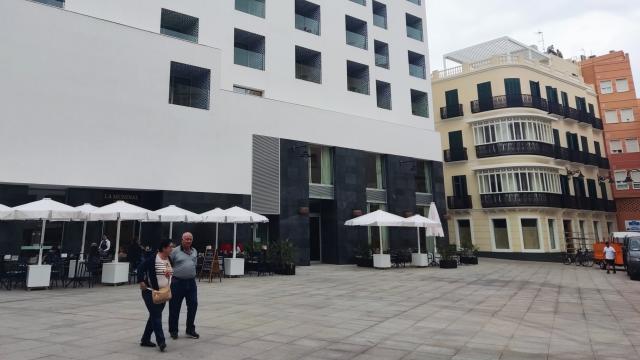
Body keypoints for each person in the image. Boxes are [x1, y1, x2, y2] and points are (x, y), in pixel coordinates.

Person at [137, 239, 173, 352]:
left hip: (163, 292)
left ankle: (145, 339)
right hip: (150, 291)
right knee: (156, 315)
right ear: (164, 248)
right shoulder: (153, 259)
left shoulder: (169, 259)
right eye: (170, 247)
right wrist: (141, 281)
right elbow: (140, 268)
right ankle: (161, 341)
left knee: (153, 315)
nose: (172, 249)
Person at [168, 232, 199, 340]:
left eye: (190, 239)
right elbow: (168, 263)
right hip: (177, 282)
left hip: (191, 283)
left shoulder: (194, 251)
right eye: (186, 239)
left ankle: (190, 330)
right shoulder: (174, 251)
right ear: (182, 240)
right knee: (174, 307)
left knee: (193, 305)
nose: (188, 241)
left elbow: (194, 264)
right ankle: (173, 330)